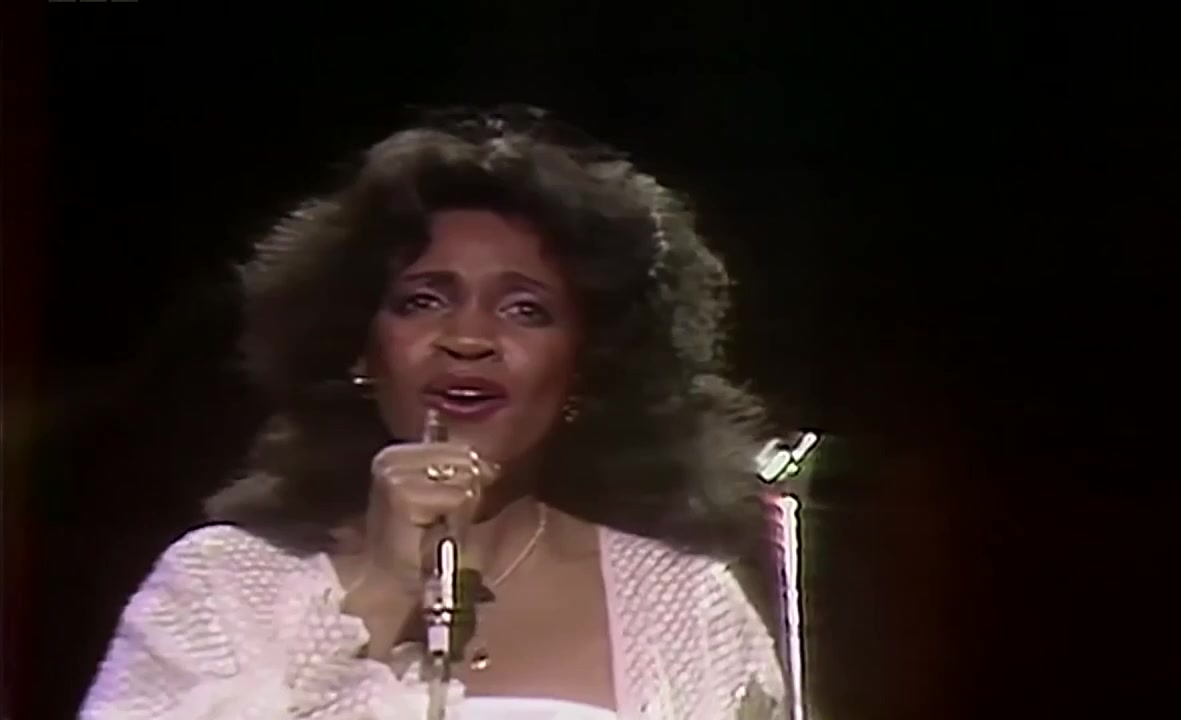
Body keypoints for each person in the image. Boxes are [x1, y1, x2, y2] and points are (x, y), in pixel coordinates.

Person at [79, 104, 789, 719]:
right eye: (423, 300)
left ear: (588, 364)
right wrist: (383, 587)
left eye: (526, 309)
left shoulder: (684, 601)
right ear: (360, 348)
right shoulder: (221, 586)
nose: (468, 338)